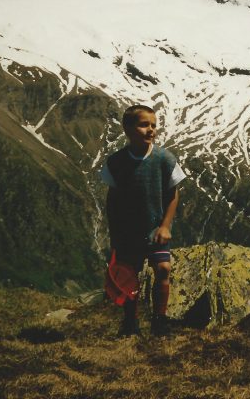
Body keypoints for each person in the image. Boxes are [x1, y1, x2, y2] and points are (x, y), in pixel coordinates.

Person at [100, 104, 186, 337]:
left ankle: (160, 320)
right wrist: (115, 232)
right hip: (129, 232)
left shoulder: (164, 159)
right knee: (130, 276)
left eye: (154, 125)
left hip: (156, 228)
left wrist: (165, 225)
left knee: (163, 269)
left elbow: (173, 193)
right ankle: (130, 323)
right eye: (144, 124)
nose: (151, 130)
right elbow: (113, 199)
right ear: (127, 129)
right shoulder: (117, 162)